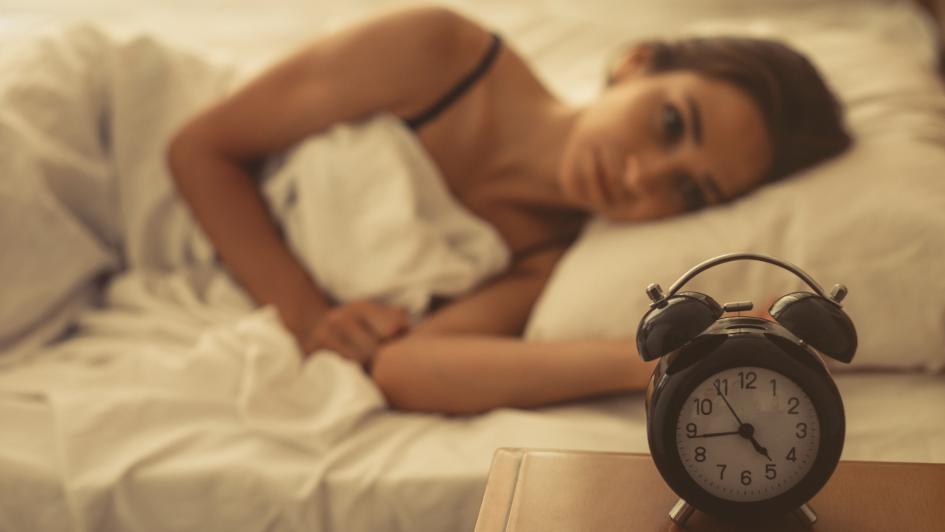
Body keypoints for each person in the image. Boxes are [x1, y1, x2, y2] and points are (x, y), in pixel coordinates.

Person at [167, 6, 851, 414]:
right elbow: (198, 148)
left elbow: (405, 368)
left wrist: (665, 360)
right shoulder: (438, 49)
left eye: (690, 192)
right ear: (636, 63)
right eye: (671, 122)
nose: (642, 176)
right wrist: (310, 314)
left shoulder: (541, 258)